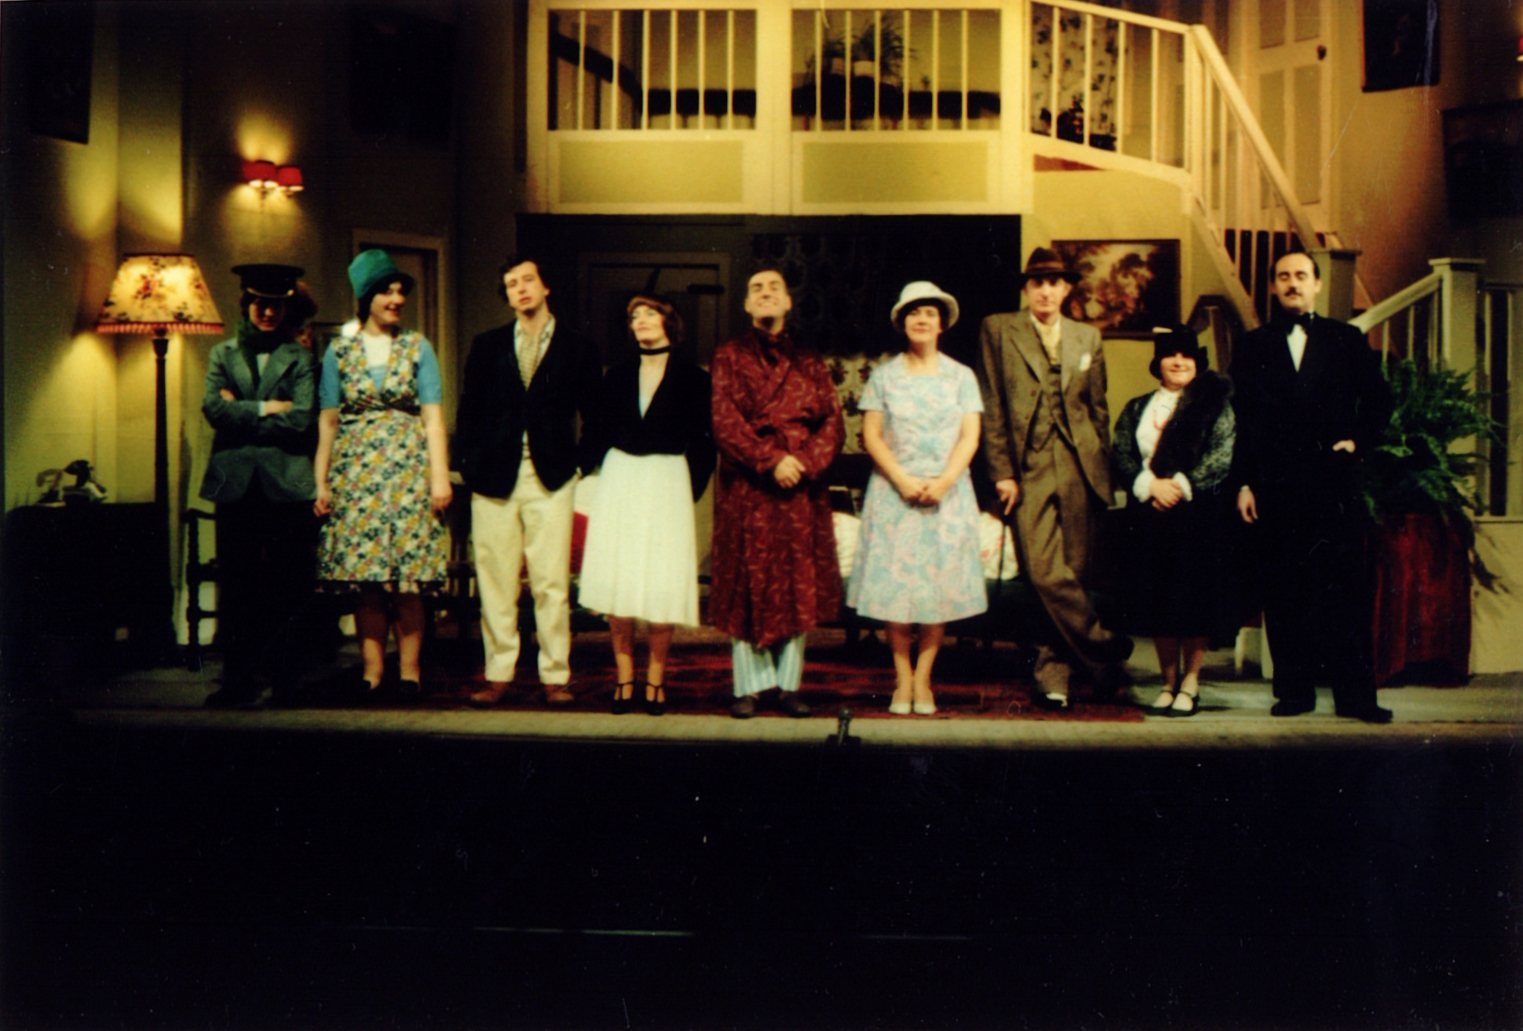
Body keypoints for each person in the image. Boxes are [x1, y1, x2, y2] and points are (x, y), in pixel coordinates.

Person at [1231, 251, 1394, 723]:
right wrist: (1244, 483)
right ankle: (1295, 693)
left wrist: (1357, 441)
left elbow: (1379, 399)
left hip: (1332, 483)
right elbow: (1244, 421)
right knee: (1285, 591)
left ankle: (1357, 698)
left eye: (1301, 275)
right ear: (1273, 287)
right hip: (1277, 484)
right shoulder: (1254, 345)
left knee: (1345, 592)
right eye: (1283, 277)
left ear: (1317, 284)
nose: (1292, 283)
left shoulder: (1346, 339)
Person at [977, 246, 1131, 711]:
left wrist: (1102, 470)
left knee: (1074, 572)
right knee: (1044, 573)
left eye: (1054, 283)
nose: (1045, 291)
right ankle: (1104, 647)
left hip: (1080, 464)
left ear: (1066, 289)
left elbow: (1097, 409)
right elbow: (993, 405)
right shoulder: (999, 329)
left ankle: (1053, 676)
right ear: (1027, 289)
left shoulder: (1087, 336)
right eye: (1037, 283)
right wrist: (1002, 471)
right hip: (1029, 466)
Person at [454, 255, 602, 706]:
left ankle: (555, 674)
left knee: (550, 583)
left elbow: (596, 416)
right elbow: (469, 411)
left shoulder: (577, 347)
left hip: (551, 476)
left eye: (527, 280)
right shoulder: (488, 345)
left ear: (545, 286)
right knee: (495, 581)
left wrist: (579, 466)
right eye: (512, 284)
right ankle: (498, 672)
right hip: (494, 478)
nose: (520, 288)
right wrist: (470, 465)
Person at [313, 249, 451, 700]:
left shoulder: (417, 346)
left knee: (407, 580)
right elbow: (328, 421)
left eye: (399, 291)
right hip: (356, 474)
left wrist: (439, 477)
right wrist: (321, 481)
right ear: (366, 297)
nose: (396, 299)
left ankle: (409, 672)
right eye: (386, 291)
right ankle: (372, 672)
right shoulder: (339, 351)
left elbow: (433, 418)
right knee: (367, 582)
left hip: (407, 471)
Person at [710, 265, 844, 719]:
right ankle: (748, 687)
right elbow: (725, 422)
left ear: (788, 301)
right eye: (756, 288)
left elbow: (832, 424)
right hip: (749, 487)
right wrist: (772, 461)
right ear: (746, 304)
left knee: (795, 585)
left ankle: (789, 686)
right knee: (748, 583)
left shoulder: (810, 362)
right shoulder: (728, 356)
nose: (765, 293)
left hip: (799, 490)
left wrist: (801, 463)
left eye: (774, 288)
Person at [847, 282, 986, 716]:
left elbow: (970, 436)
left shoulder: (961, 376)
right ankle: (901, 677)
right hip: (895, 493)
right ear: (902, 323)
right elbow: (872, 435)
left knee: (935, 592)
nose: (921, 320)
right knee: (897, 592)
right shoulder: (885, 376)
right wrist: (903, 479)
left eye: (929, 313)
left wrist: (944, 481)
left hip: (947, 494)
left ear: (941, 323)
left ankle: (924, 678)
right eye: (913, 313)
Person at [579, 294, 715, 715]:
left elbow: (705, 443)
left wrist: (686, 490)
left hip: (667, 480)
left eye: (649, 313)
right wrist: (582, 471)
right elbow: (595, 431)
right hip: (621, 479)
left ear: (668, 321)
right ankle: (624, 678)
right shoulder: (616, 375)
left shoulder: (694, 378)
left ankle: (656, 680)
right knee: (619, 581)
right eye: (634, 315)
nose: (640, 320)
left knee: (661, 583)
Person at [198, 263, 319, 707]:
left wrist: (243, 410)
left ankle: (287, 681)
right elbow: (214, 410)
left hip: (286, 483)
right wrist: (269, 407)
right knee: (238, 586)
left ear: (286, 309)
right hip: (236, 483)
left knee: (288, 585)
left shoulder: (300, 358)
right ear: (246, 304)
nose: (267, 313)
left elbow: (301, 418)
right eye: (260, 304)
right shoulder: (223, 355)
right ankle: (237, 681)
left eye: (276, 306)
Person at [1112, 325, 1237, 716]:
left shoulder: (1214, 406)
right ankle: (1167, 683)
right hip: (1150, 513)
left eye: (1186, 356)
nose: (1179, 362)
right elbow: (1122, 451)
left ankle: (1191, 683)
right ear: (1158, 363)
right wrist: (1149, 485)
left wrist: (1180, 486)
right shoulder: (1137, 407)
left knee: (1194, 601)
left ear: (1197, 363)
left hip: (1196, 516)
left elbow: (1221, 454)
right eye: (1171, 355)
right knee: (1159, 602)